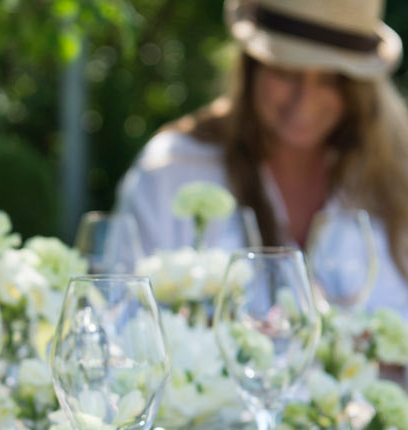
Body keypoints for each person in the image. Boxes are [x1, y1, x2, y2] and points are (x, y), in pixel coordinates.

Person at [116, 0, 408, 315]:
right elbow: (121, 313)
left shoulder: (396, 173)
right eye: (287, 73)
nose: (305, 101)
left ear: (359, 89)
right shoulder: (173, 169)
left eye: (330, 80)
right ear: (251, 67)